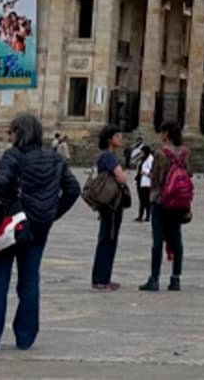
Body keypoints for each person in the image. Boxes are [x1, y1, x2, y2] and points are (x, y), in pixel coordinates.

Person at [0, 114, 80, 350]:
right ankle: (25, 337)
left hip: (10, 223)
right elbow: (73, 189)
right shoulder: (55, 158)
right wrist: (53, 213)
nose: (9, 136)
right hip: (38, 227)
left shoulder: (13, 155)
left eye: (11, 131)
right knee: (29, 281)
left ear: (19, 132)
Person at [140, 121, 192, 292]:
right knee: (177, 239)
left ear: (167, 134)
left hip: (162, 201)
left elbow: (156, 178)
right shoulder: (185, 152)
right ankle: (175, 279)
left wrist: (154, 195)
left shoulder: (161, 153)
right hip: (178, 202)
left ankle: (154, 279)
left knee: (157, 240)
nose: (160, 135)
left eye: (162, 132)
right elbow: (189, 173)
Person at [90, 125, 128, 291]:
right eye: (117, 135)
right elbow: (121, 177)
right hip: (112, 204)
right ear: (109, 139)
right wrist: (123, 175)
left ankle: (103, 277)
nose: (120, 138)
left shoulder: (105, 156)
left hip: (108, 203)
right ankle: (101, 279)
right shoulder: (109, 157)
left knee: (107, 238)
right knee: (108, 240)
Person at [135, 145, 154, 222]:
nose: (141, 153)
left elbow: (152, 173)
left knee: (146, 200)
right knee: (141, 200)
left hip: (146, 183)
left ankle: (147, 216)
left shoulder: (151, 160)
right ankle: (140, 215)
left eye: (142, 152)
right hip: (140, 181)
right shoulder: (142, 159)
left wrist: (144, 173)